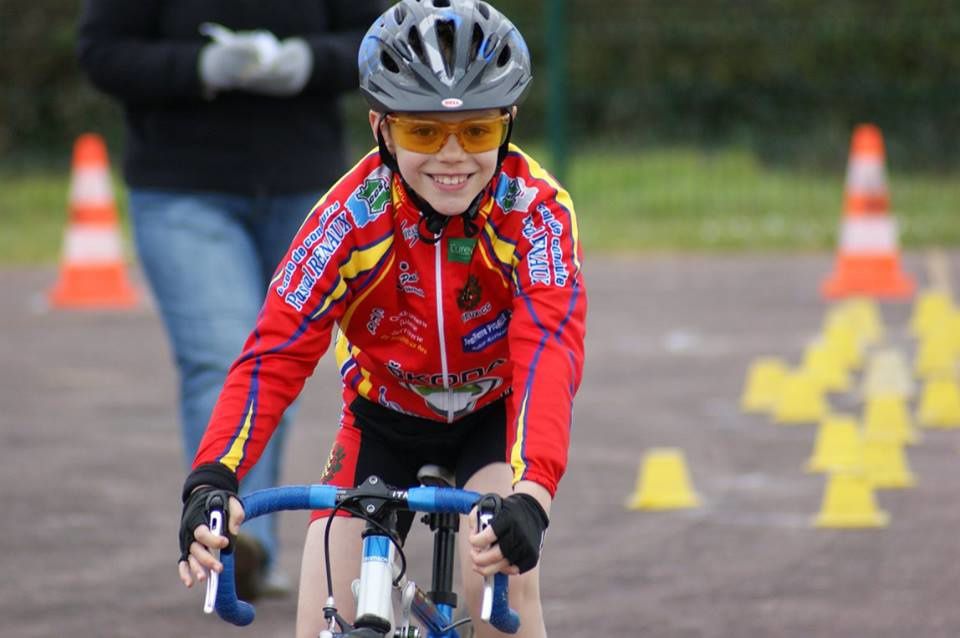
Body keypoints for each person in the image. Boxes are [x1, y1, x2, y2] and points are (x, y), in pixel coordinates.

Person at [176, 0, 586, 635]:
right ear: (381, 128)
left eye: (476, 132)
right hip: (382, 420)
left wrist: (531, 496)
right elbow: (275, 351)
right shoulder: (346, 218)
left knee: (502, 587)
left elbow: (549, 350)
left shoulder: (536, 212)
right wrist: (213, 476)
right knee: (319, 617)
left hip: (492, 418)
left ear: (506, 126)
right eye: (424, 133)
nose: (453, 157)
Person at [76, 0, 386, 600]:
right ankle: (229, 536)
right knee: (222, 358)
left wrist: (305, 63)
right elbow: (102, 52)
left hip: (308, 186)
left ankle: (243, 542)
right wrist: (202, 66)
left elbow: (381, 42)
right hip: (181, 190)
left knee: (284, 359)